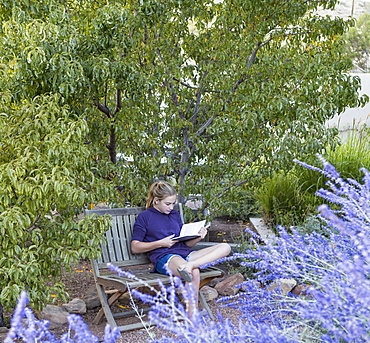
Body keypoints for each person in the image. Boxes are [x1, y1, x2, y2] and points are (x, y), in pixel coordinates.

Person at [131, 180, 231, 316]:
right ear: (156, 200)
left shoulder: (175, 215)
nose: (171, 207)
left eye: (173, 203)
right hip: (164, 257)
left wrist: (198, 237)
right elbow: (135, 247)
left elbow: (185, 244)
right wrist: (161, 243)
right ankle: (192, 317)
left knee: (225, 247)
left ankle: (190, 265)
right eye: (167, 204)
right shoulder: (145, 217)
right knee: (193, 273)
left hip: (185, 255)